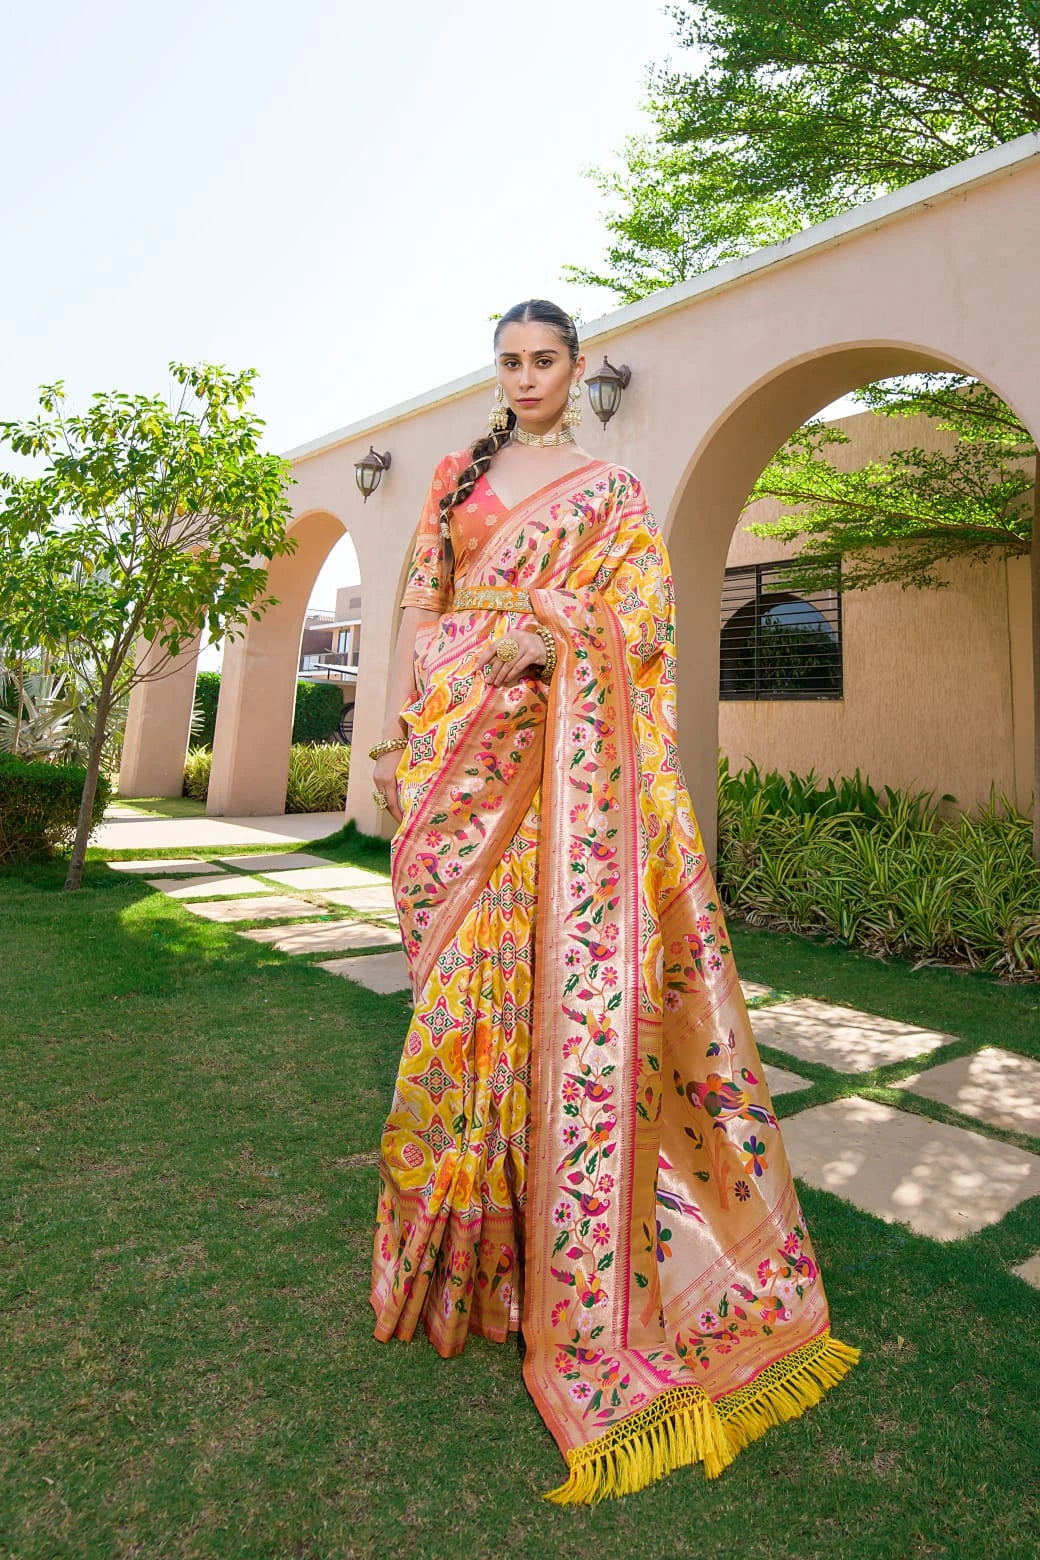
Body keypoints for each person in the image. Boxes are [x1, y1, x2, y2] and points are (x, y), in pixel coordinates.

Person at [369, 299, 858, 1504]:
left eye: (544, 361)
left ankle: (533, 1255)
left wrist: (550, 633)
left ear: (577, 370)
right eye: (509, 363)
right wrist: (395, 729)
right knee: (453, 1001)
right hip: (455, 749)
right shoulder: (450, 478)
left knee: (543, 991)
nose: (526, 377)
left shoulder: (611, 496)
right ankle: (457, 1244)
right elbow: (420, 609)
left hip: (556, 764)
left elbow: (642, 621)